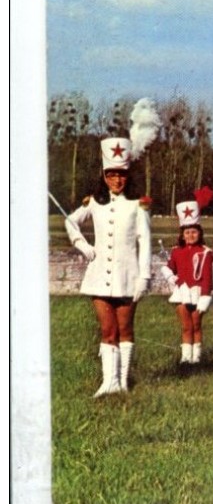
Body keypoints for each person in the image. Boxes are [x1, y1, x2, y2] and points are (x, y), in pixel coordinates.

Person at [65, 137, 152, 397]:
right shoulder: (93, 202)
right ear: (104, 175)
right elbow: (71, 221)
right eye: (111, 174)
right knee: (107, 330)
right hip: (99, 273)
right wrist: (83, 245)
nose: (117, 180)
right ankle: (108, 383)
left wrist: (144, 277)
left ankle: (122, 383)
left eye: (121, 175)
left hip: (128, 275)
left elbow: (145, 242)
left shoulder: (138, 205)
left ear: (128, 176)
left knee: (125, 329)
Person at [160, 197, 213, 364]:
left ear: (200, 233)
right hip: (182, 292)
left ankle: (196, 356)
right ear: (182, 235)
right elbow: (170, 267)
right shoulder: (176, 251)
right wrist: (170, 275)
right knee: (185, 326)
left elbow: (208, 277)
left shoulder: (206, 252)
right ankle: (185, 356)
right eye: (187, 232)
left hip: (198, 293)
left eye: (194, 232)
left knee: (196, 324)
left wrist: (206, 296)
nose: (191, 235)